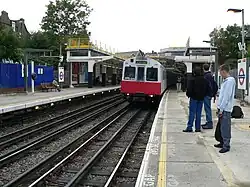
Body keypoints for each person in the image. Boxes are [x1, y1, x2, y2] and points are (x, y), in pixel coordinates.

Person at [183, 67, 211, 132]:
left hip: (193, 98)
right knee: (199, 113)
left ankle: (189, 127)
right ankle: (197, 128)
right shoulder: (204, 80)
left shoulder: (192, 80)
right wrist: (204, 95)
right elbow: (208, 89)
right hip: (201, 99)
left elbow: (189, 89)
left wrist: (188, 95)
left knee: (192, 113)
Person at [216, 64, 235, 153]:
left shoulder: (230, 81)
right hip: (222, 108)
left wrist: (222, 109)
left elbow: (226, 96)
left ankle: (226, 145)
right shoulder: (225, 81)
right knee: (221, 127)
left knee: (225, 127)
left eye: (220, 72)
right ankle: (222, 142)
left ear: (224, 71)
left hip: (226, 109)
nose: (220, 74)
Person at [202, 64, 218, 129]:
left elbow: (206, 86)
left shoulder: (206, 76)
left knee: (207, 109)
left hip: (207, 95)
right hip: (209, 94)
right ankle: (208, 122)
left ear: (203, 68)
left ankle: (209, 123)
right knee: (207, 108)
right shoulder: (210, 75)